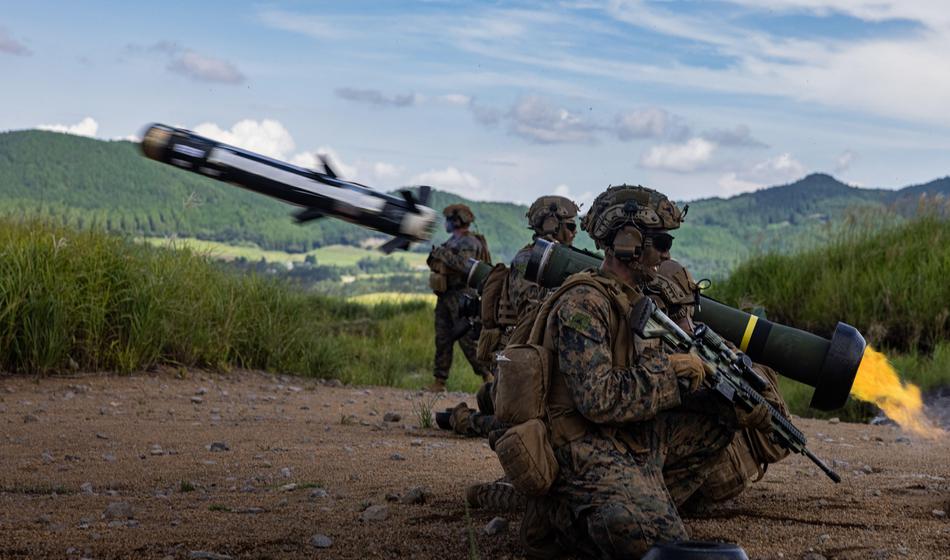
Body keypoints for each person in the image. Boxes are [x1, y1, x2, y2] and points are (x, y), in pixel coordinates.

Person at [517, 185, 766, 558]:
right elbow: (598, 400)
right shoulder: (583, 303)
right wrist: (673, 372)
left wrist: (722, 388)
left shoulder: (637, 299)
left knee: (718, 421)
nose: (667, 254)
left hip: (628, 436)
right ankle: (571, 517)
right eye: (661, 242)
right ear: (627, 241)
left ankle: (637, 496)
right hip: (584, 446)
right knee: (663, 549)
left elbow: (653, 381)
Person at [449, 195, 580, 436]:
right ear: (551, 224)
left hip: (538, 351)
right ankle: (465, 419)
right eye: (570, 226)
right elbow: (531, 308)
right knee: (524, 429)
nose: (574, 233)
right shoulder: (528, 260)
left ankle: (493, 397)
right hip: (522, 352)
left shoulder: (562, 262)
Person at [426, 204, 492, 392]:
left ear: (456, 221)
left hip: (462, 295)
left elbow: (464, 265)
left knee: (467, 339)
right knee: (443, 337)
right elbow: (435, 260)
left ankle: (488, 376)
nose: (445, 224)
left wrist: (443, 255)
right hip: (446, 295)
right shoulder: (452, 241)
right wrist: (436, 256)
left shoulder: (470, 243)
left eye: (448, 220)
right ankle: (439, 380)